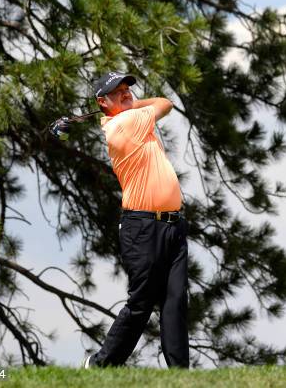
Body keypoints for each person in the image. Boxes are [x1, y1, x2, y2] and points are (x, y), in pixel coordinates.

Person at [82, 71, 189, 369]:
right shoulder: (124, 124)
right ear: (102, 102)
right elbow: (165, 103)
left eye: (128, 88)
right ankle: (100, 364)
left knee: (176, 301)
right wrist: (131, 106)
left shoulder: (130, 116)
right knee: (141, 303)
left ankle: (181, 374)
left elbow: (157, 105)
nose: (127, 93)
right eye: (118, 92)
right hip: (142, 227)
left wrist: (125, 102)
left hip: (173, 225)